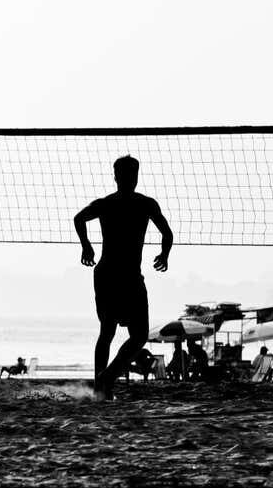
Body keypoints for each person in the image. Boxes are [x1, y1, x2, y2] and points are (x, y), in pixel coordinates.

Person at [74, 155, 173, 400]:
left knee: (127, 335)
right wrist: (164, 253)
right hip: (119, 275)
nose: (130, 179)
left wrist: (165, 253)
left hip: (115, 275)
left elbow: (167, 233)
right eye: (128, 175)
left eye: (132, 175)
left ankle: (104, 380)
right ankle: (104, 382)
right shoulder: (136, 204)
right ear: (119, 177)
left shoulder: (116, 204)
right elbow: (167, 233)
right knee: (118, 333)